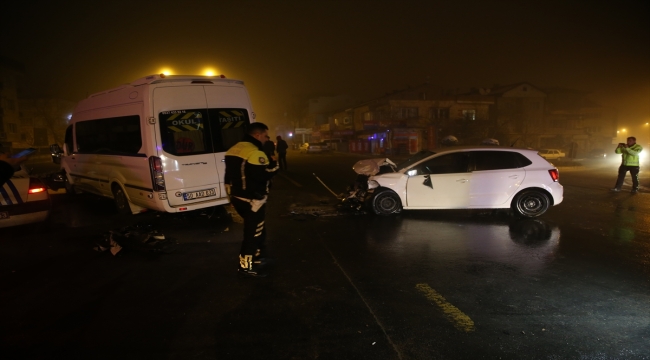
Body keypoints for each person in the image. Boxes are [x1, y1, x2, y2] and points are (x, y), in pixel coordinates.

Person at [224, 123, 278, 277]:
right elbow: (266, 174)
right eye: (266, 136)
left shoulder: (233, 150)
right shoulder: (255, 153)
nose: (267, 139)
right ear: (257, 135)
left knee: (258, 229)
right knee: (252, 233)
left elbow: (228, 176)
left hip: (238, 197)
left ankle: (258, 256)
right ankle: (245, 266)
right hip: (253, 200)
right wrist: (273, 160)